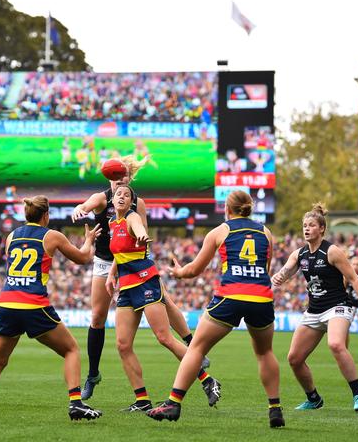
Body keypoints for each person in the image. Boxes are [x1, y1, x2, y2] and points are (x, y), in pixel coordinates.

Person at [71, 154, 203, 401]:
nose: (122, 180)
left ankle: (193, 346)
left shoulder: (136, 204)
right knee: (97, 318)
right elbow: (87, 205)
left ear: (130, 179)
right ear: (111, 177)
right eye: (119, 175)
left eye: (126, 176)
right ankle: (92, 375)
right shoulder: (102, 198)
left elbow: (141, 231)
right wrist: (80, 209)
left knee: (166, 301)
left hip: (132, 261)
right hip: (105, 262)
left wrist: (141, 245)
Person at [147, 191, 284, 428]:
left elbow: (194, 270)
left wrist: (178, 271)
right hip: (261, 297)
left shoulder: (220, 231)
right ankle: (275, 410)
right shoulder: (266, 232)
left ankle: (173, 403)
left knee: (197, 348)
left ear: (226, 209)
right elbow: (266, 269)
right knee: (264, 352)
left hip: (231, 296)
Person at [0, 196, 102, 423]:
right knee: (71, 350)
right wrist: (89, 240)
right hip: (33, 305)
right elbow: (83, 258)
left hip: (7, 304)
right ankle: (76, 403)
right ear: (46, 215)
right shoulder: (52, 236)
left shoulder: (11, 237)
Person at [106, 185, 221, 412]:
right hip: (127, 287)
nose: (121, 196)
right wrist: (112, 274)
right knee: (122, 345)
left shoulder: (132, 218)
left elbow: (138, 229)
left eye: (126, 195)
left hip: (145, 281)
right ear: (112, 200)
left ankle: (208, 380)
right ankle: (142, 400)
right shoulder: (112, 223)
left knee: (164, 338)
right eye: (118, 194)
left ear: (131, 202)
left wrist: (141, 234)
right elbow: (119, 255)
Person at [271, 203, 358, 412]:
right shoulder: (299, 254)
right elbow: (285, 272)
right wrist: (278, 277)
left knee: (336, 345)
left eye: (311, 225)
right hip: (314, 310)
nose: (306, 229)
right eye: (304, 225)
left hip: (338, 306)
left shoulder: (332, 252)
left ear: (321, 228)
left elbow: (354, 279)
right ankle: (314, 399)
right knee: (294, 358)